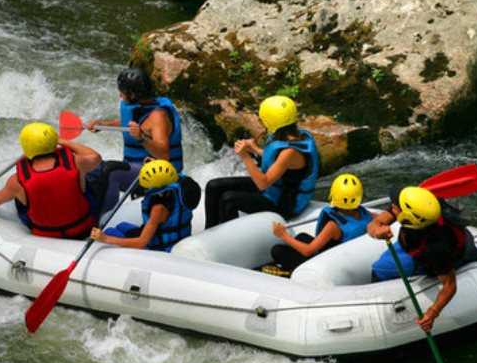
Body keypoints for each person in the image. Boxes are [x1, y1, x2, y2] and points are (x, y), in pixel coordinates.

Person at [366, 185, 477, 332]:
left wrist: (433, 312)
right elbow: (374, 224)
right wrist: (377, 232)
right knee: (386, 260)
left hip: (427, 255)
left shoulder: (436, 248)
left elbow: (450, 285)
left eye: (395, 207)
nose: (391, 207)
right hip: (412, 243)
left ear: (407, 217)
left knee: (378, 268)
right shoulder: (421, 208)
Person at [0, 122, 101, 239]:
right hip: (84, 228)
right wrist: (62, 141)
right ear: (53, 142)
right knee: (91, 177)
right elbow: (95, 157)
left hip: (46, 234)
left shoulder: (16, 181)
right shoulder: (77, 163)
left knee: (20, 195)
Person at [204, 95, 320, 228]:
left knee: (229, 199)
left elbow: (263, 183)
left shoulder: (290, 152)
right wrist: (256, 150)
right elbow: (281, 164)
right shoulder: (293, 134)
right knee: (214, 185)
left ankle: (227, 238)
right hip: (276, 187)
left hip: (284, 202)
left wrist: (245, 156)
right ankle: (209, 230)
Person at [86, 67, 185, 215]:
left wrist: (142, 138)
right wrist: (103, 125)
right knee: (92, 169)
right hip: (138, 170)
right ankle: (88, 214)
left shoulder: (158, 117)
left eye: (122, 92)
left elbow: (164, 155)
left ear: (132, 94)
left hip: (160, 176)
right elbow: (129, 123)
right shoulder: (139, 107)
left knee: (111, 171)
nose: (120, 95)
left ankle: (104, 220)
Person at [267, 173, 375, 275]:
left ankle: (290, 270)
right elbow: (383, 217)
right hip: (343, 257)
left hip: (326, 264)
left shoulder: (333, 226)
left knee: (277, 250)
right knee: (301, 237)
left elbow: (308, 251)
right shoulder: (364, 213)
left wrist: (282, 234)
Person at [90, 159, 200, 252]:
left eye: (146, 187)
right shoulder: (177, 188)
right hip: (175, 237)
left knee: (109, 231)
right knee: (122, 225)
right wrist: (154, 165)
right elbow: (164, 173)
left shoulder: (158, 209)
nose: (145, 189)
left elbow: (141, 243)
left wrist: (105, 238)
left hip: (159, 249)